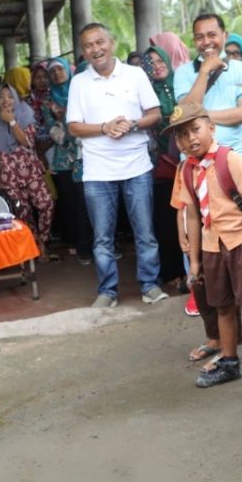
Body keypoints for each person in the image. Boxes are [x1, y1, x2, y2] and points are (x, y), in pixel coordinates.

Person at [171, 101, 242, 393]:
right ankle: (229, 361)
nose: (191, 138)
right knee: (221, 306)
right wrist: (194, 261)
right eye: (182, 135)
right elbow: (191, 215)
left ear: (211, 128)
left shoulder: (231, 160)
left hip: (239, 242)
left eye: (195, 129)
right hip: (211, 246)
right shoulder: (185, 170)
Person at [66, 22, 167, 307]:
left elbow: (155, 114)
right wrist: (105, 127)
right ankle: (107, 291)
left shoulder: (134, 75)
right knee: (102, 237)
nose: (95, 49)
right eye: (88, 45)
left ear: (111, 43)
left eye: (100, 42)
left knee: (145, 232)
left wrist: (133, 124)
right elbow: (73, 127)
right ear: (84, 52)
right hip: (97, 171)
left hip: (136, 165)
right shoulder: (79, 82)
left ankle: (149, 285)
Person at [0, 85, 55, 259]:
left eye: (10, 96)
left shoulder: (25, 114)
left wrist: (11, 120)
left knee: (46, 203)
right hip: (9, 175)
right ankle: (34, 243)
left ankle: (43, 240)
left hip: (30, 169)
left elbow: (28, 142)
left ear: (15, 98)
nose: (6, 100)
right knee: (23, 212)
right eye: (1, 97)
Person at [173, 13, 242, 158]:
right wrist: (204, 71)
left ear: (225, 35)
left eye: (212, 35)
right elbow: (185, 112)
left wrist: (201, 115)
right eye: (200, 37)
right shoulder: (182, 72)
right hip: (193, 157)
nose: (206, 42)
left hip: (234, 154)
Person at [40, 57, 92, 263]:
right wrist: (67, 124)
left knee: (91, 203)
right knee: (73, 206)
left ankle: (100, 245)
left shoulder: (80, 92)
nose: (56, 74)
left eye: (60, 69)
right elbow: (56, 135)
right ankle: (82, 249)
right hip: (64, 162)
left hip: (87, 157)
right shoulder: (47, 102)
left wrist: (66, 122)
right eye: (52, 72)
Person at [143, 47, 185, 287]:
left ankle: (193, 272)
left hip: (188, 162)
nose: (157, 65)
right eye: (151, 62)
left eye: (161, 60)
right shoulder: (146, 92)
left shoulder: (180, 87)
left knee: (191, 219)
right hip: (161, 167)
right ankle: (172, 273)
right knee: (167, 220)